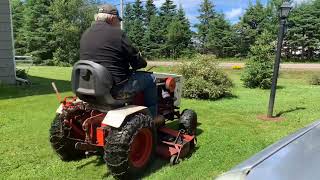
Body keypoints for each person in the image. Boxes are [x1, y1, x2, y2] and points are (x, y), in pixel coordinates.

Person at [79, 4, 157, 118]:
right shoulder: (117, 34)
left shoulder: (85, 34)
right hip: (114, 90)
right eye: (118, 20)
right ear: (111, 18)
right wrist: (141, 62)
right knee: (151, 78)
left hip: (87, 88)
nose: (119, 23)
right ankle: (153, 117)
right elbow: (136, 62)